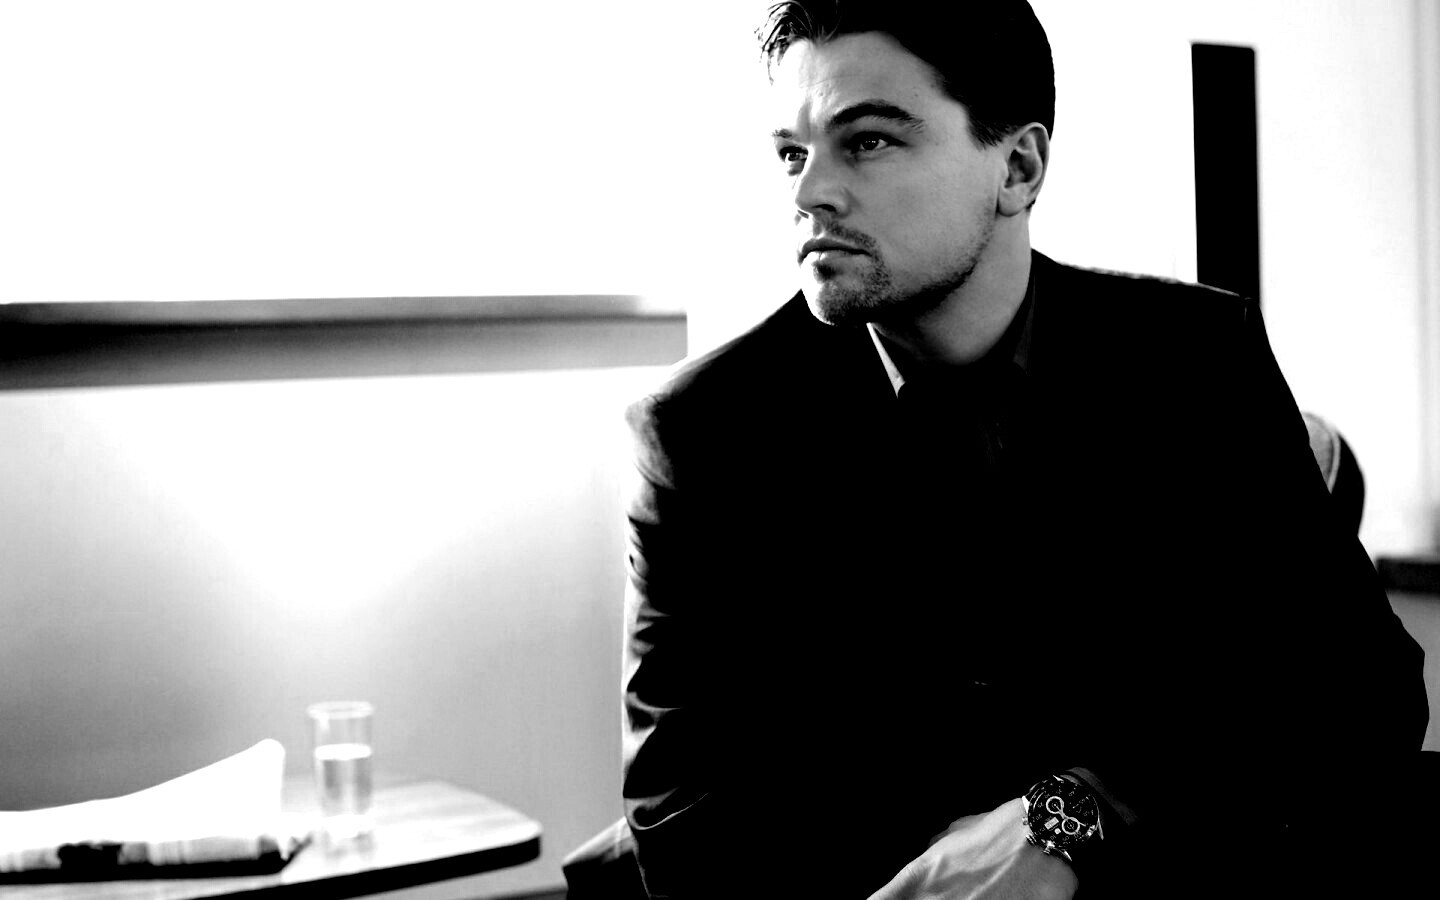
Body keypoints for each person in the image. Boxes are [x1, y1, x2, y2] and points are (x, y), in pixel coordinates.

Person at [614, 2, 1428, 897]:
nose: (810, 193)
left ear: (1018, 167)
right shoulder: (700, 434)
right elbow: (683, 827)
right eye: (790, 153)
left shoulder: (1196, 358)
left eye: (868, 141)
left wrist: (1074, 814)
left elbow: (1365, 695)